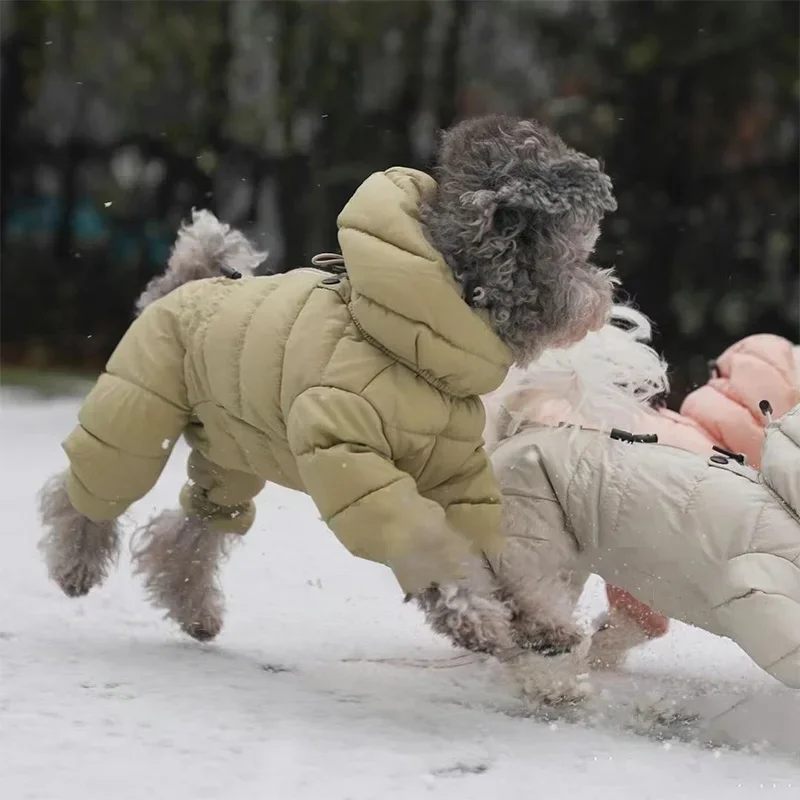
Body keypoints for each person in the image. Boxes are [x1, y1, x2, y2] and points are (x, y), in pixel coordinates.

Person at [37, 114, 618, 654]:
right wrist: (444, 582)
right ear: (513, 267)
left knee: (225, 490)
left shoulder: (449, 371)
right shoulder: (358, 365)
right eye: (577, 268)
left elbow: (461, 495)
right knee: (112, 465)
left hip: (250, 399)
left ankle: (178, 565)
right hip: (182, 340)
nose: (599, 287)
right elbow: (359, 487)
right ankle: (75, 514)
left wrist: (519, 595)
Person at [482, 306, 800, 698]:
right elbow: (651, 560)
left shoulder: (692, 445)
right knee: (550, 562)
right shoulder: (708, 462)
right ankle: (536, 658)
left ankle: (535, 649)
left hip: (546, 452)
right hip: (548, 471)